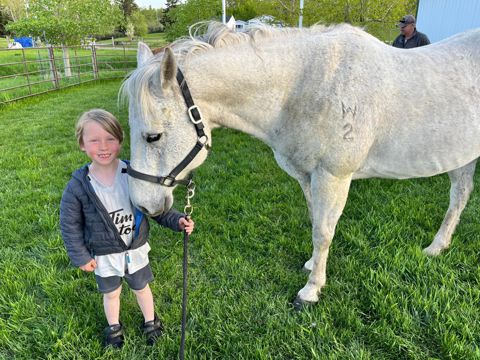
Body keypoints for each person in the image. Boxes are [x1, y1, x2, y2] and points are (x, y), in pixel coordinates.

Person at [60, 109, 194, 348]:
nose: (103, 146)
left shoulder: (133, 174)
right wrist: (80, 256)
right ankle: (114, 327)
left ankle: (150, 321)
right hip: (105, 254)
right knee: (111, 293)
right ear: (82, 144)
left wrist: (177, 220)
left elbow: (154, 207)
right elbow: (70, 225)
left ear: (120, 140)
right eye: (94, 140)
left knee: (142, 288)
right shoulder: (78, 185)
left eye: (110, 138)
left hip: (135, 250)